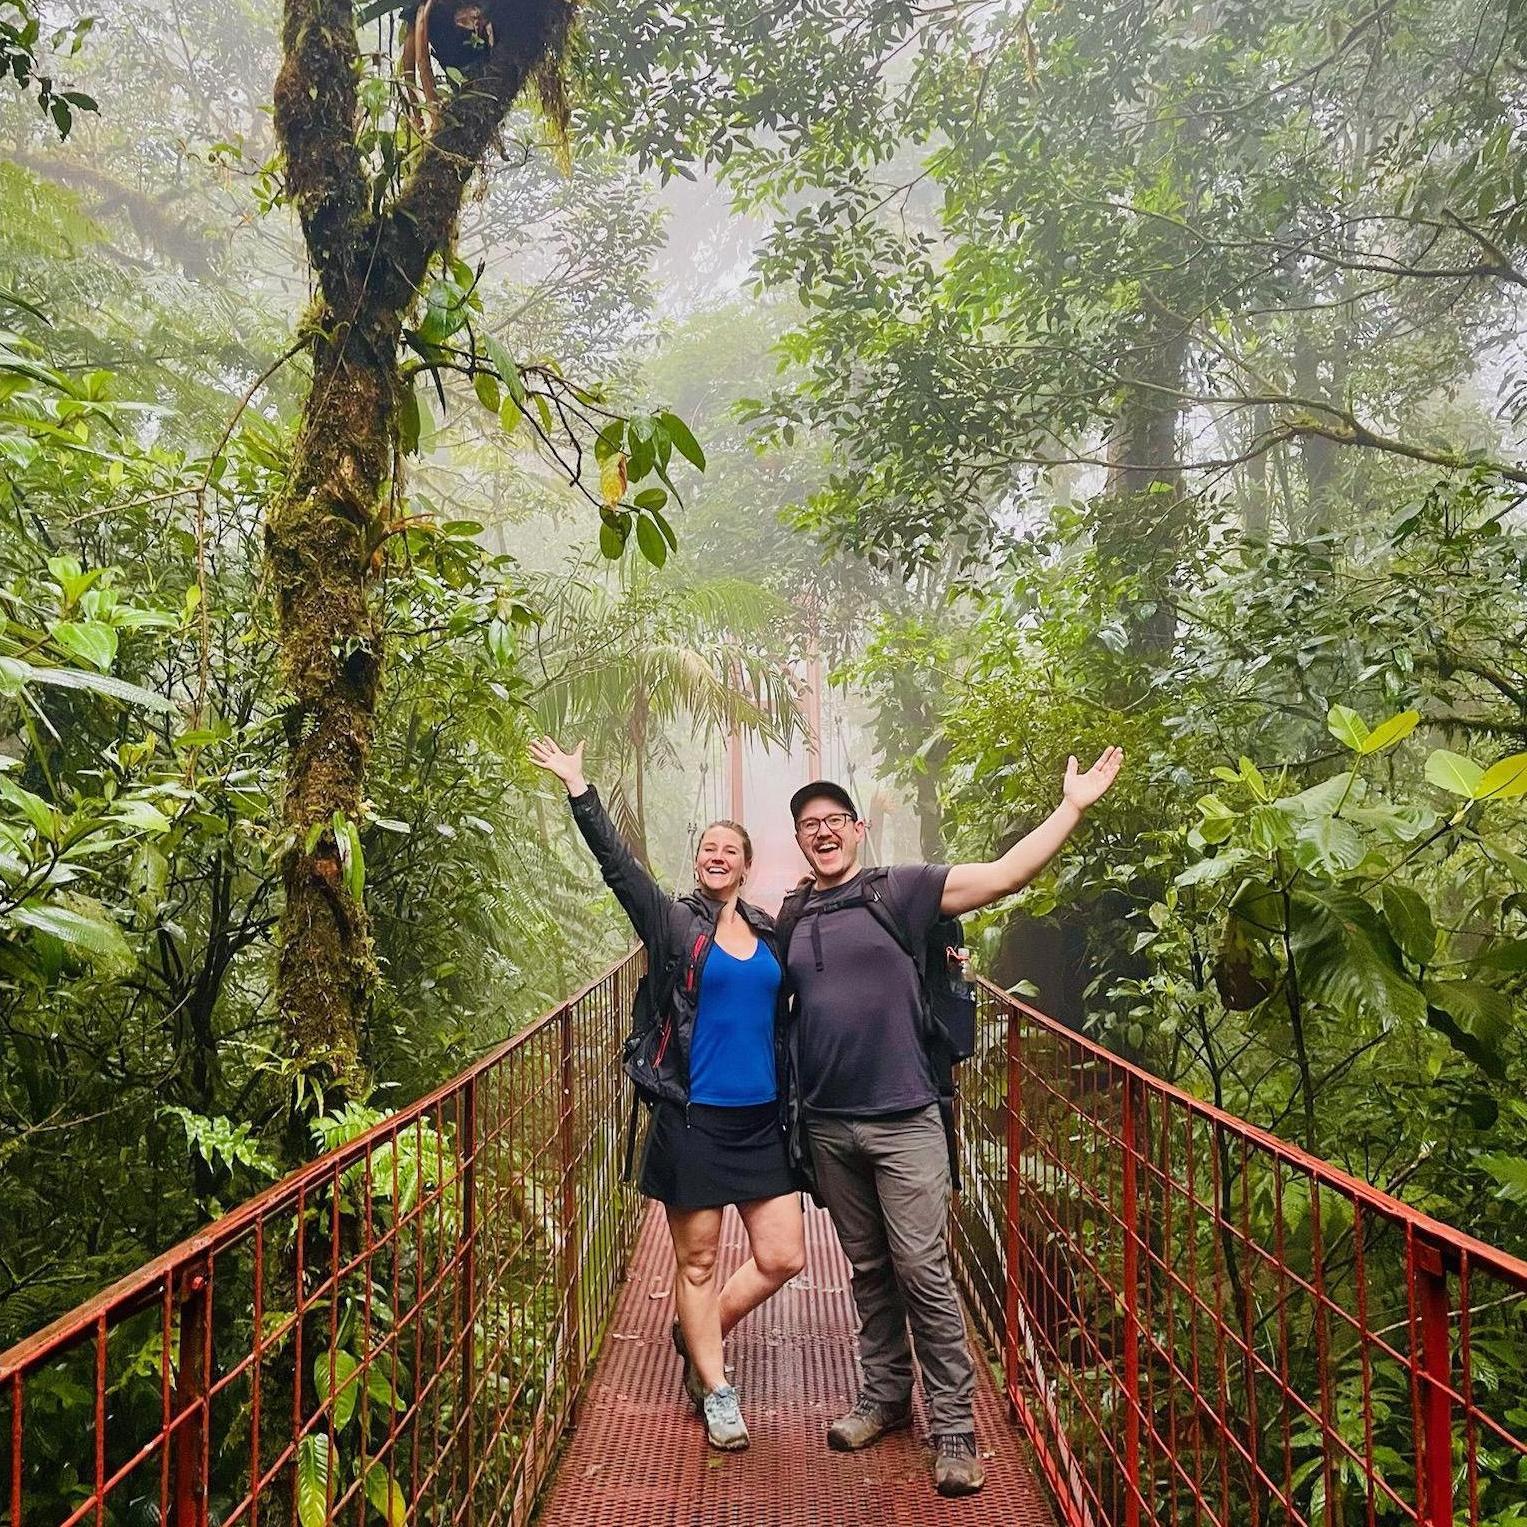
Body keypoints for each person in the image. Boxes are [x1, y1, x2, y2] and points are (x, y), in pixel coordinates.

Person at [782, 747, 1123, 1496]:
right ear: (798, 838)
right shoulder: (793, 912)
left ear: (858, 827)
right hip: (830, 1126)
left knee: (923, 1271)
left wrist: (1070, 807)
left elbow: (1003, 875)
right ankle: (883, 1397)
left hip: (905, 1115)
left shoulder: (900, 890)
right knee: (869, 1270)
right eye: (809, 824)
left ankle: (956, 1430)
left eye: (833, 818)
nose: (823, 831)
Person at [529, 736, 806, 1453]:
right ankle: (716, 1390)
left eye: (729, 849)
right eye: (707, 847)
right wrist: (579, 789)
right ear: (698, 861)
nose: (716, 855)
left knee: (782, 1256)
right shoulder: (672, 921)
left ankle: (695, 1329)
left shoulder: (774, 934)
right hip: (693, 1118)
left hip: (761, 1122)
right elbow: (618, 868)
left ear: (747, 865)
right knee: (698, 1261)